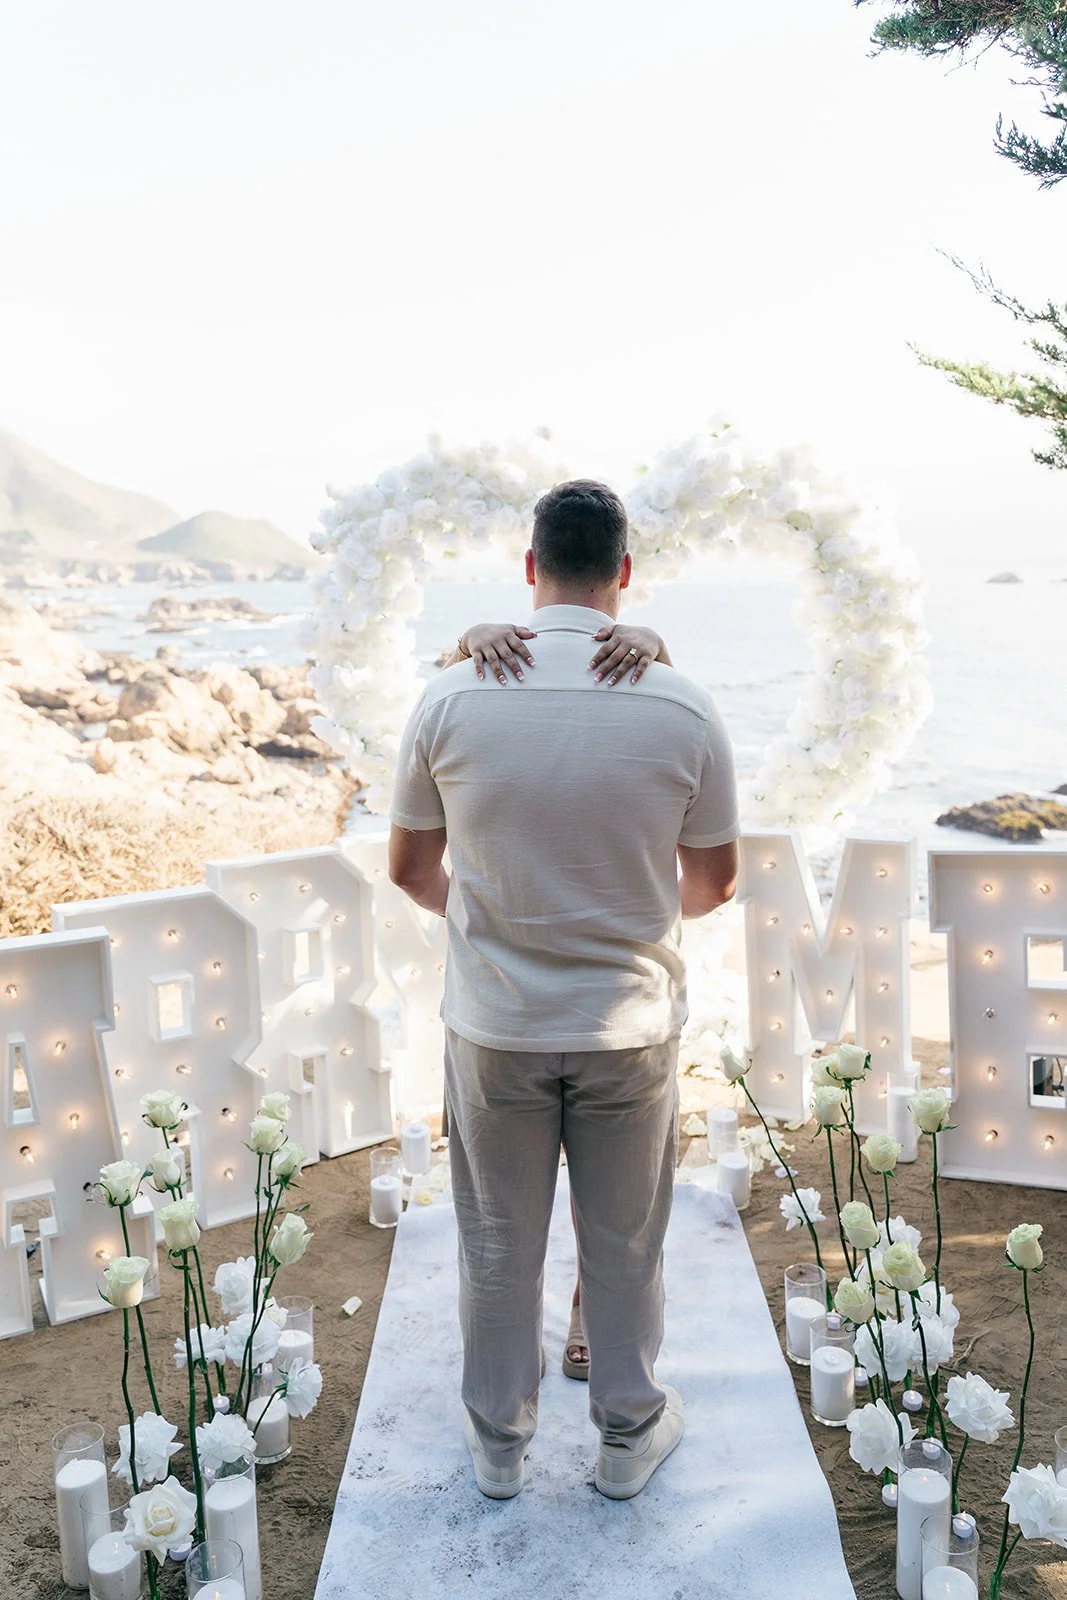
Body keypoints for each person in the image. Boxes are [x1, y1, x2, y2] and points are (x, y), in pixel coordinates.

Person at [388, 479, 739, 1502]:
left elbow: (411, 871)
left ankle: (498, 1446)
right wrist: (617, 908)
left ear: (529, 565)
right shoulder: (682, 702)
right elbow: (712, 883)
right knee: (622, 1241)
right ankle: (625, 1435)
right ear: (623, 571)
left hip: (495, 1024)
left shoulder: (452, 693)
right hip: (625, 1025)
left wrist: (499, 914)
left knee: (497, 1242)